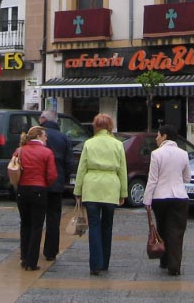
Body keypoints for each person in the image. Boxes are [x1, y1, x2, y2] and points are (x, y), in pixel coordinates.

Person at [73, 113, 127, 276]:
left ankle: (95, 264)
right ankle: (105, 262)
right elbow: (122, 170)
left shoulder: (89, 144)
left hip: (92, 187)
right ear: (110, 126)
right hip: (111, 186)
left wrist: (78, 191)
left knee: (94, 225)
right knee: (107, 226)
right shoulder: (118, 145)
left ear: (95, 126)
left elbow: (81, 168)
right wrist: (123, 192)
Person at [142, 124, 191, 276]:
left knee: (162, 228)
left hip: (160, 197)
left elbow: (152, 180)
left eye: (158, 135)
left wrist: (147, 200)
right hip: (180, 196)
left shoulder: (156, 154)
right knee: (176, 232)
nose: (156, 138)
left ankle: (163, 259)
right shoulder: (183, 154)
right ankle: (174, 266)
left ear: (164, 136)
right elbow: (187, 178)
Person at [14, 125, 57, 271]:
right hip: (39, 190)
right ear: (39, 136)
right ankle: (32, 261)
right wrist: (45, 184)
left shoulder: (20, 150)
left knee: (24, 224)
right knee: (37, 226)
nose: (46, 138)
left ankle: (24, 257)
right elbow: (52, 175)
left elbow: (13, 168)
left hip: (22, 190)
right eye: (45, 135)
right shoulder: (47, 153)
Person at [38, 108, 69, 261]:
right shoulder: (63, 137)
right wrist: (65, 178)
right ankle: (51, 251)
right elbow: (69, 162)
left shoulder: (37, 136)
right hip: (56, 183)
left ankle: (31, 250)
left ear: (44, 119)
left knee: (36, 218)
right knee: (53, 219)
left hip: (38, 183)